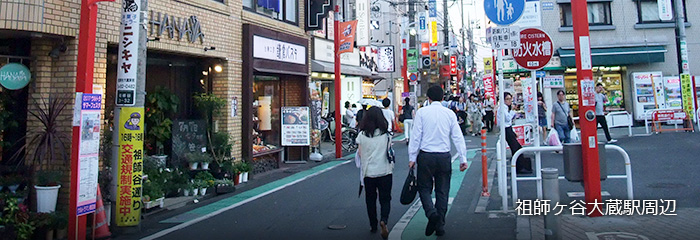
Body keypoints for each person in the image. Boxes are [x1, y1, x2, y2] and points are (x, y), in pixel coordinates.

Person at [408, 86, 468, 237]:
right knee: (443, 190)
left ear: (428, 97)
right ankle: (440, 224)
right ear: (443, 98)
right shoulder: (449, 114)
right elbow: (457, 137)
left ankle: (431, 213)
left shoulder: (422, 113)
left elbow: (416, 137)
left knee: (424, 188)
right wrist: (463, 158)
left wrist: (412, 158)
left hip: (426, 155)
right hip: (444, 156)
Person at [355, 106, 393, 239]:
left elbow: (359, 153)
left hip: (368, 172)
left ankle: (373, 225)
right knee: (385, 198)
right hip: (384, 171)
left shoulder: (362, 135)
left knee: (370, 199)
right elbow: (389, 151)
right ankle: (384, 220)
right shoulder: (386, 135)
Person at [499, 92, 532, 174]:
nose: (509, 101)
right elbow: (507, 119)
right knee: (516, 148)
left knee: (517, 147)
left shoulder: (505, 108)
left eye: (510, 99)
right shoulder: (503, 108)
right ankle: (519, 167)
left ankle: (519, 166)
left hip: (508, 129)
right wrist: (513, 112)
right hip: (506, 129)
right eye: (507, 99)